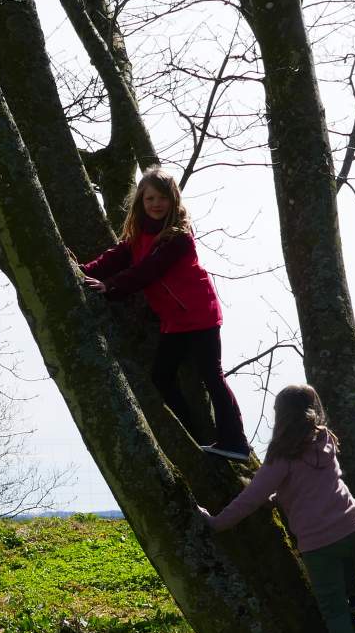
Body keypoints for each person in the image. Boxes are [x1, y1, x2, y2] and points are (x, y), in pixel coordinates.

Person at [199, 384, 355, 633]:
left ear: (280, 416)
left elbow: (251, 498)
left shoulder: (282, 455)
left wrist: (217, 522)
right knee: (345, 563)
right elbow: (313, 485)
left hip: (322, 545)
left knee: (334, 614)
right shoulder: (324, 440)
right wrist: (281, 498)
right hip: (353, 527)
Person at [79, 169, 250, 460]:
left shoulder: (178, 238)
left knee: (211, 374)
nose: (156, 204)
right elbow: (115, 258)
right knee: (162, 377)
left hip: (199, 314)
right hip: (174, 320)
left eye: (162, 198)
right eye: (150, 198)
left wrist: (109, 287)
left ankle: (235, 443)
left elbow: (147, 272)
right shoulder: (139, 236)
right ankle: (192, 438)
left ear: (173, 201)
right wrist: (83, 272)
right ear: (141, 202)